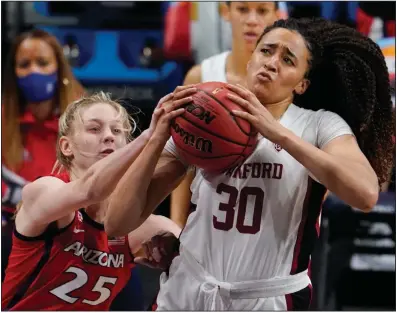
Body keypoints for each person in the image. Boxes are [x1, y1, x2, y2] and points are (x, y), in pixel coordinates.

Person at [104, 17, 395, 310]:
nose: (272, 62)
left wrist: (277, 132)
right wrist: (155, 139)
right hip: (188, 287)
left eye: (288, 59)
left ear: (302, 84)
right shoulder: (205, 112)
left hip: (267, 297)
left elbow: (365, 194)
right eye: (266, 51)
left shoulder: (318, 125)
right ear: (251, 58)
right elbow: (117, 222)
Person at [1, 91, 193, 310]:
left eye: (117, 130)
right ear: (67, 146)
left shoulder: (133, 226)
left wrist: (170, 247)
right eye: (94, 128)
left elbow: (199, 260)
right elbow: (91, 190)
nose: (109, 136)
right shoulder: (44, 190)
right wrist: (150, 137)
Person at [171, 1, 281, 228]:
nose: (252, 20)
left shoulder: (291, 84)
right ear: (225, 12)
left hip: (270, 223)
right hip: (210, 221)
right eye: (242, 9)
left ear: (276, 16)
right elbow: (180, 162)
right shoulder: (200, 76)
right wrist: (176, 226)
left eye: (262, 10)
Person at [1, 29, 84, 280]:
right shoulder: (3, 120)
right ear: (13, 73)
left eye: (43, 62)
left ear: (58, 68)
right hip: (13, 232)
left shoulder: (84, 119)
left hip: (72, 234)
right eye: (24, 64)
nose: (34, 71)